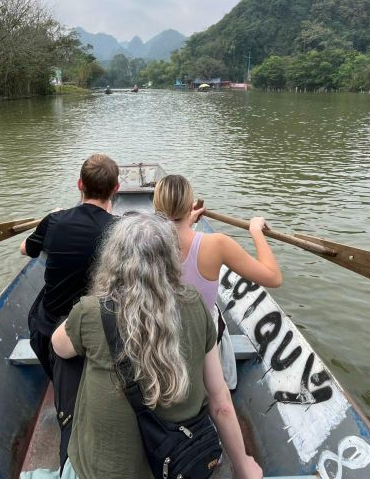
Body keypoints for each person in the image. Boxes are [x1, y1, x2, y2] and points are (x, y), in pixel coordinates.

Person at [51, 213, 263, 479]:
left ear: (113, 261)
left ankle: (69, 429)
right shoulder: (195, 303)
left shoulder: (91, 310)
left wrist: (95, 302)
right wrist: (243, 464)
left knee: (70, 356)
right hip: (179, 466)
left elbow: (58, 347)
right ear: (171, 259)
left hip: (102, 472)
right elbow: (220, 402)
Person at [20, 153, 119, 467]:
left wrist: (47, 221)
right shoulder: (120, 230)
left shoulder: (54, 221)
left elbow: (25, 249)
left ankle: (58, 381)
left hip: (51, 331)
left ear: (79, 185)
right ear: (115, 189)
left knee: (39, 308)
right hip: (99, 333)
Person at [153, 174, 281, 387]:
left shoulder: (143, 241)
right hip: (202, 334)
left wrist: (187, 221)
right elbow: (273, 277)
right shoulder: (217, 244)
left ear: (156, 206)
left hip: (163, 329)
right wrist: (255, 231)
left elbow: (172, 231)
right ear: (188, 206)